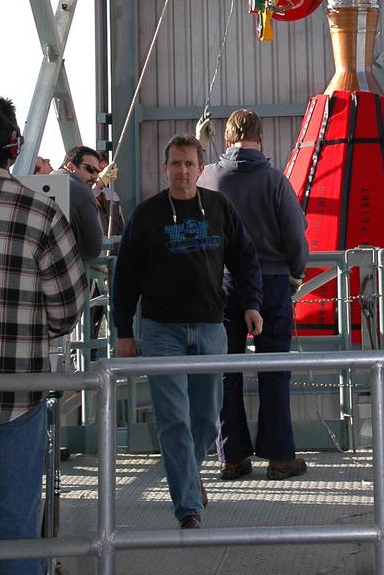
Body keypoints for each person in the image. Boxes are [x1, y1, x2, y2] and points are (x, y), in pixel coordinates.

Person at [0, 104, 87, 575]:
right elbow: (68, 308)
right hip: (17, 395)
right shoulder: (41, 212)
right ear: (13, 148)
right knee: (20, 525)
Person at [112, 134, 263, 529]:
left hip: (211, 327)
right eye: (175, 164)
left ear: (200, 168)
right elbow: (124, 276)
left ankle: (189, 474)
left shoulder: (218, 208)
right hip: (163, 331)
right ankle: (188, 506)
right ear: (165, 168)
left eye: (189, 164)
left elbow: (245, 259)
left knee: (206, 421)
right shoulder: (146, 216)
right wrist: (123, 330)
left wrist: (251, 304)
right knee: (173, 418)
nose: (182, 171)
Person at [199, 108, 310, 481]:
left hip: (223, 283)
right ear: (260, 139)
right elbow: (295, 235)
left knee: (225, 371)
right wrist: (295, 272)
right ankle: (280, 457)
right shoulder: (275, 181)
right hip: (272, 281)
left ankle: (231, 456)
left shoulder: (210, 177)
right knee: (274, 370)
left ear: (227, 140)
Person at [56, 147, 104, 260]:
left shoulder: (42, 184)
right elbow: (93, 249)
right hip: (65, 269)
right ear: (71, 166)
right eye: (90, 169)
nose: (95, 177)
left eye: (97, 172)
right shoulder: (82, 192)